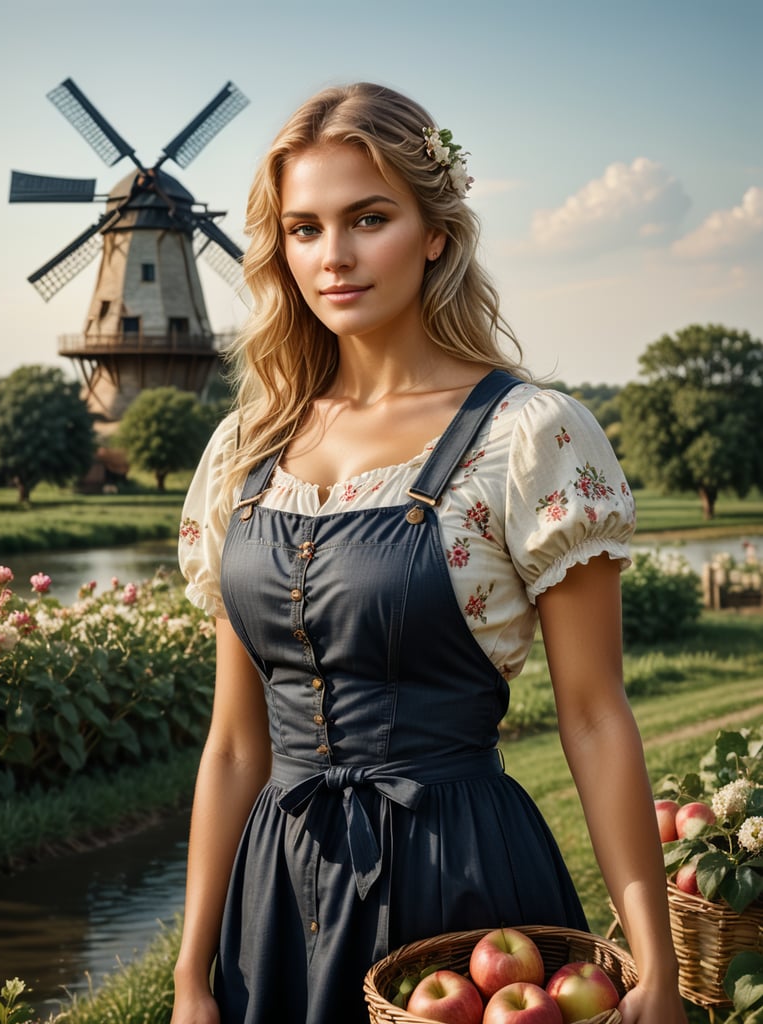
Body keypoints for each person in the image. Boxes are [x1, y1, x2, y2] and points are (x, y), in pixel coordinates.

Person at [171, 82, 687, 1024]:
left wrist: (657, 964)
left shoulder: (526, 435)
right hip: (276, 892)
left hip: (458, 887)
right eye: (304, 228)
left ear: (436, 233)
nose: (334, 256)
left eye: (368, 219)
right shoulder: (245, 449)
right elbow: (237, 744)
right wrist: (190, 976)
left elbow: (592, 714)